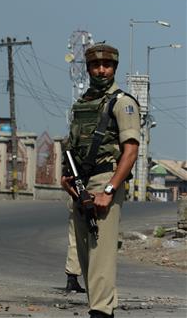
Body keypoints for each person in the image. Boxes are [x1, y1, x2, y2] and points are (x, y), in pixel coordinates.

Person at [61, 43, 140, 318]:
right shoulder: (83, 103)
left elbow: (130, 151)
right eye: (96, 65)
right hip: (80, 185)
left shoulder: (123, 103)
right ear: (89, 68)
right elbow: (70, 145)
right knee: (85, 254)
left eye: (106, 65)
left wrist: (109, 190)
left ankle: (101, 312)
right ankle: (101, 308)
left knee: (101, 253)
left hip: (106, 178)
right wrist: (66, 178)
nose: (101, 70)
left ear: (114, 68)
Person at [64, 202, 85, 293]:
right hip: (97, 195)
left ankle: (72, 278)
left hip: (76, 195)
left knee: (75, 236)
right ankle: (98, 283)